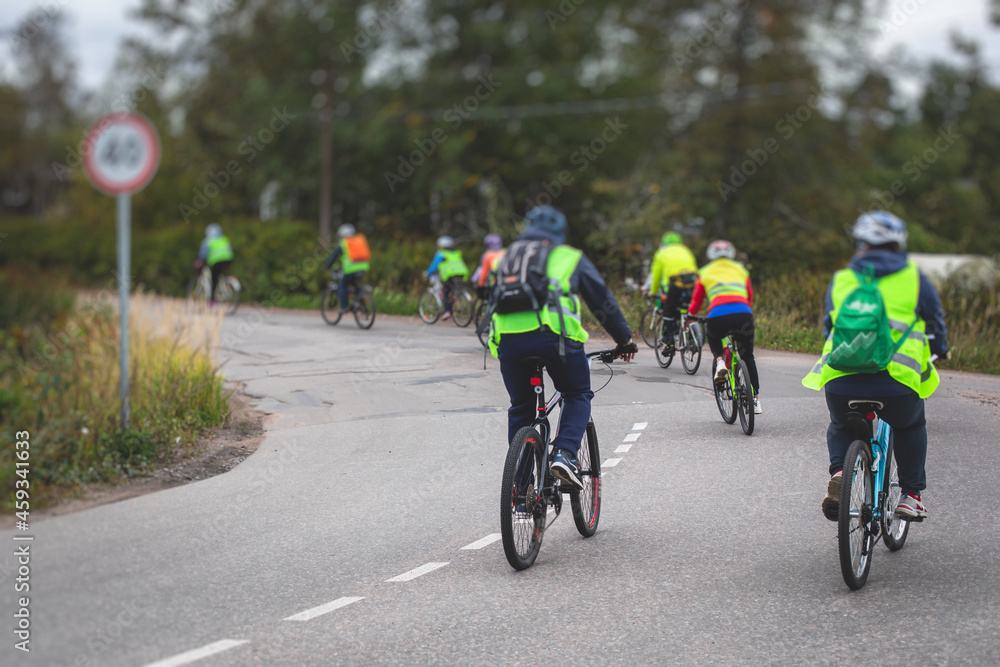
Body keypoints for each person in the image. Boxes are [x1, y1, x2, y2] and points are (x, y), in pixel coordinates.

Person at [803, 211, 948, 522]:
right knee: (910, 426)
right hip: (895, 380)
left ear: (861, 243)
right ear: (899, 243)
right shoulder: (913, 277)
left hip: (842, 378)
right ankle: (910, 496)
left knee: (841, 425)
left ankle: (842, 471)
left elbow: (830, 325)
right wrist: (940, 350)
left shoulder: (843, 278)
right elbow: (935, 323)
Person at [490, 206, 636, 490]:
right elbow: (601, 303)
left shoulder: (505, 257)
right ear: (559, 233)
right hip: (555, 339)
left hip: (509, 341)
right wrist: (624, 340)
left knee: (521, 408)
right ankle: (565, 455)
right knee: (577, 393)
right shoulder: (568, 257)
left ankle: (521, 486)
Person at [688, 239, 762, 414]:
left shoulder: (705, 272)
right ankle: (756, 399)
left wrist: (691, 314)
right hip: (743, 314)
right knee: (748, 356)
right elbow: (749, 295)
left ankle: (720, 362)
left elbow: (697, 299)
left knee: (713, 336)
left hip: (718, 315)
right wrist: (745, 311)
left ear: (711, 255)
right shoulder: (740, 269)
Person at [648, 231, 699, 355]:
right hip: (692, 282)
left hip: (674, 284)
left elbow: (656, 275)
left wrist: (653, 291)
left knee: (668, 311)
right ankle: (691, 335)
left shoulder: (661, 253)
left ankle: (670, 344)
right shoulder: (686, 250)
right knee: (687, 308)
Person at [322, 224, 371, 312]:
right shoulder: (359, 241)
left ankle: (344, 307)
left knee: (342, 286)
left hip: (350, 269)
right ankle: (361, 302)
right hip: (364, 267)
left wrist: (327, 266)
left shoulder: (344, 243)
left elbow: (334, 257)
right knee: (355, 284)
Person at [425, 235, 469, 321]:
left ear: (442, 245)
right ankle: (456, 303)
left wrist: (428, 273)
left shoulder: (441, 254)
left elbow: (434, 266)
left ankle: (448, 311)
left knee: (445, 291)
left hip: (449, 274)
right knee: (453, 289)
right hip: (461, 273)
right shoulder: (456, 253)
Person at [196, 223, 234, 306]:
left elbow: (203, 254)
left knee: (213, 280)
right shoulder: (224, 239)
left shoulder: (208, 240)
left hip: (216, 262)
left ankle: (212, 301)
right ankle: (224, 287)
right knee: (219, 275)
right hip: (228, 260)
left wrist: (199, 260)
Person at [472, 233, 506, 300]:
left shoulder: (487, 255)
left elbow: (484, 272)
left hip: (493, 283)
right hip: (506, 282)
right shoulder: (506, 252)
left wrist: (480, 285)